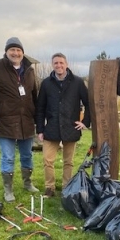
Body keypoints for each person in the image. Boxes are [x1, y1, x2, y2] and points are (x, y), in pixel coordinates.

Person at [0, 37, 39, 202]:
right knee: (8, 157)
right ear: (6, 52)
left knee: (27, 155)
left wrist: (37, 118)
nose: (15, 53)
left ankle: (27, 183)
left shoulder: (29, 70)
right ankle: (8, 190)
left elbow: (34, 96)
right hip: (4, 121)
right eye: (12, 50)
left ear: (22, 52)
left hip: (26, 121)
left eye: (18, 50)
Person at [36, 53, 91, 197]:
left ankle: (67, 187)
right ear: (52, 65)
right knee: (47, 160)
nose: (59, 65)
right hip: (52, 128)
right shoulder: (46, 83)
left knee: (68, 161)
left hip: (70, 128)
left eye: (61, 63)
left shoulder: (77, 82)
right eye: (56, 63)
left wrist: (85, 122)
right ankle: (50, 187)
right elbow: (40, 107)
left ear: (66, 64)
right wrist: (40, 129)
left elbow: (88, 103)